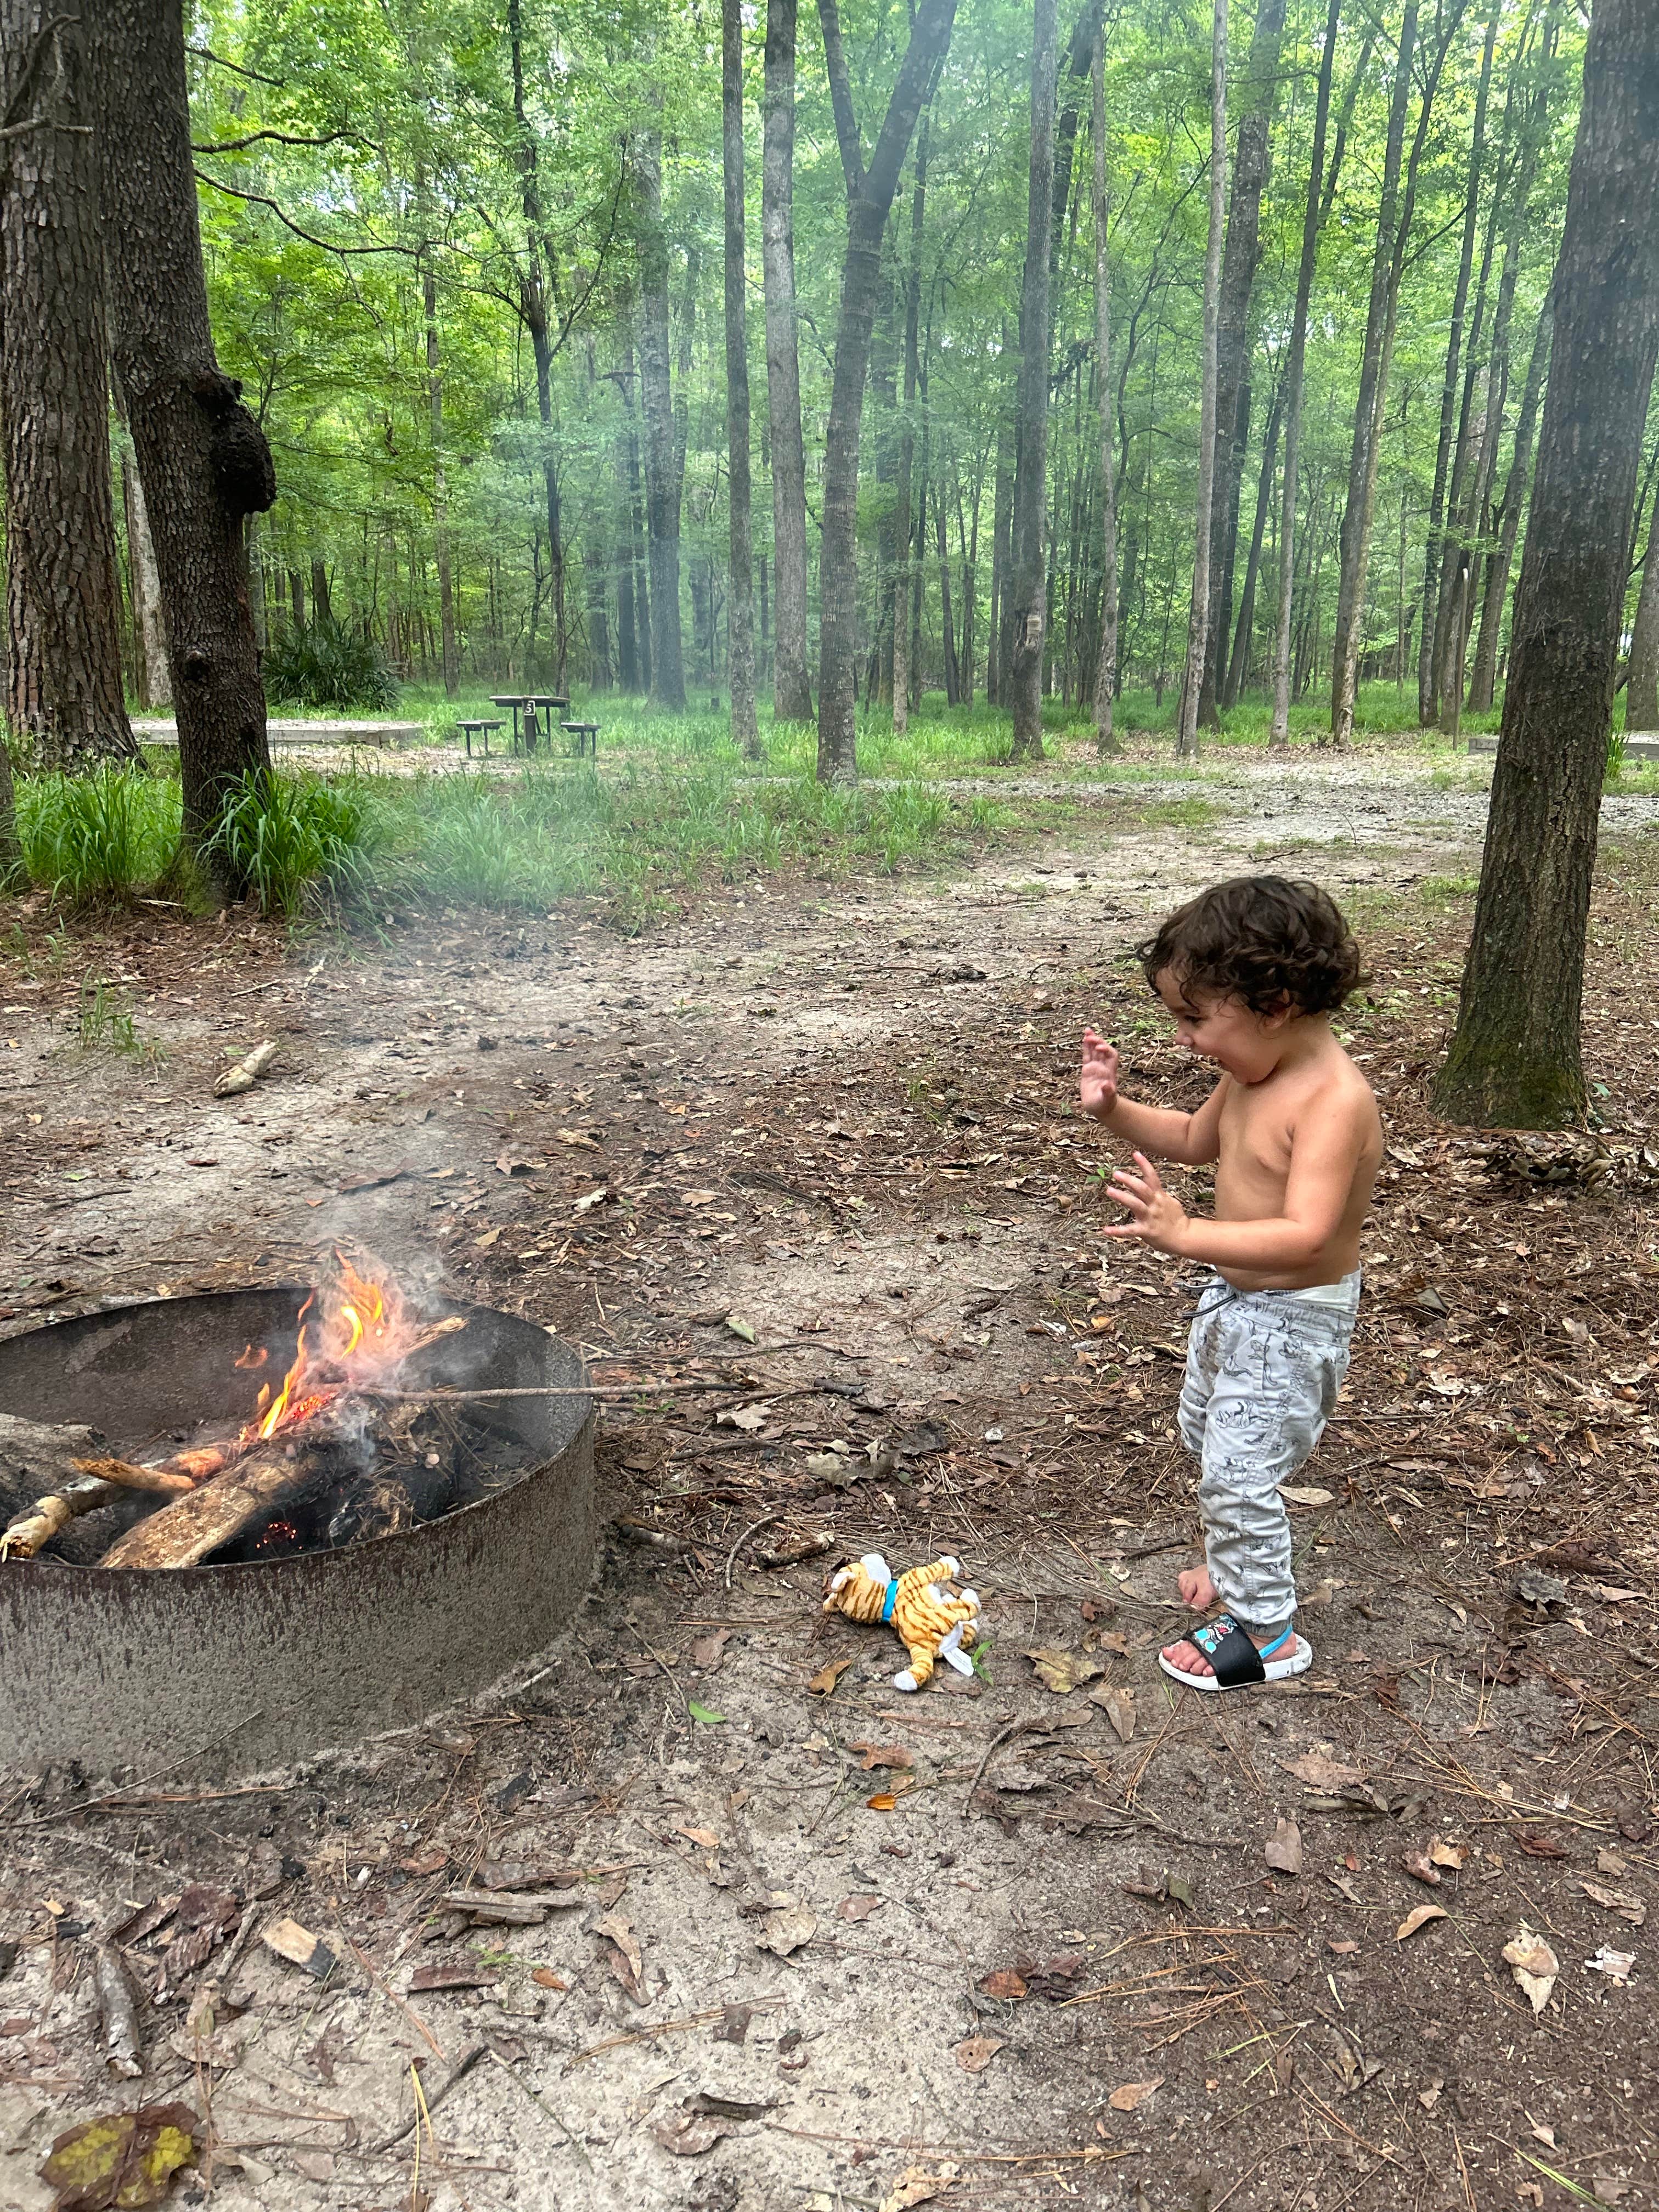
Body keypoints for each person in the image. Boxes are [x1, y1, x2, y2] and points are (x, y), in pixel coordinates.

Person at [1078, 877, 1382, 1692]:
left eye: (1195, 1018)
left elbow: (1307, 1232)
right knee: (1209, 1439)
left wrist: (1185, 1235)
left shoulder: (1332, 1100)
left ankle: (1267, 1630)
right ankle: (1233, 1563)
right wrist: (1112, 1109)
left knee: (1241, 1470)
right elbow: (1190, 1139)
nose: (1184, 1040)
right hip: (1238, 1303)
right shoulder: (1252, 1077)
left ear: (1274, 1004)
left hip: (1293, 1320)